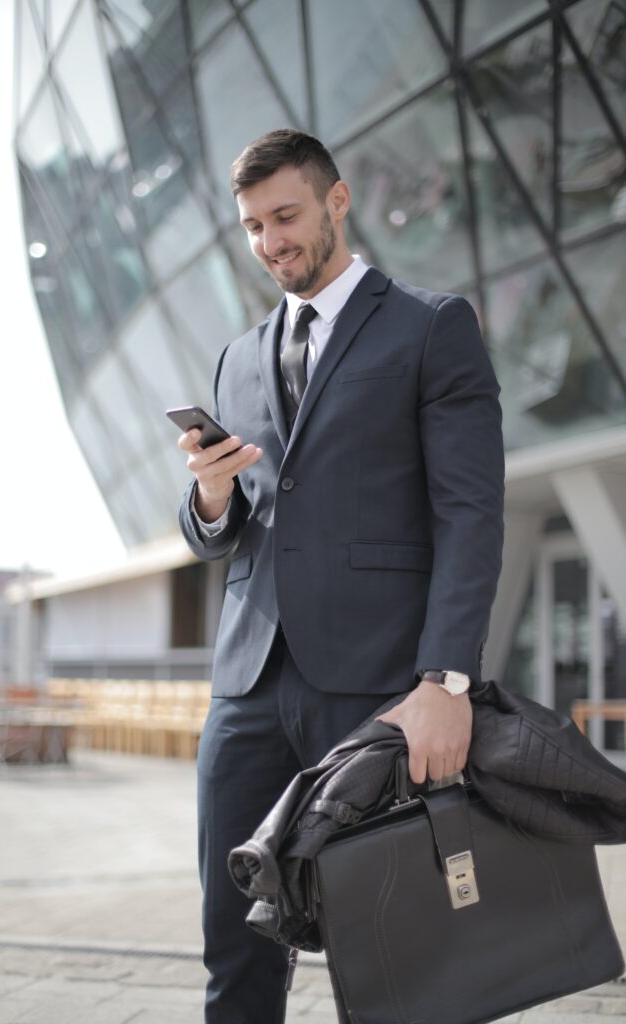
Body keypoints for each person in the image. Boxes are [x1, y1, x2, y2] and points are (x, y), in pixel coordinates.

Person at [178, 128, 505, 1024]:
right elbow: (230, 531)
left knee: (392, 952)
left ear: (336, 199)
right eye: (250, 227)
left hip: (375, 689)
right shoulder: (236, 358)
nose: (269, 242)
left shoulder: (431, 326)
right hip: (246, 687)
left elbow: (469, 515)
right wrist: (209, 498)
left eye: (284, 216)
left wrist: (447, 679)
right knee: (232, 943)